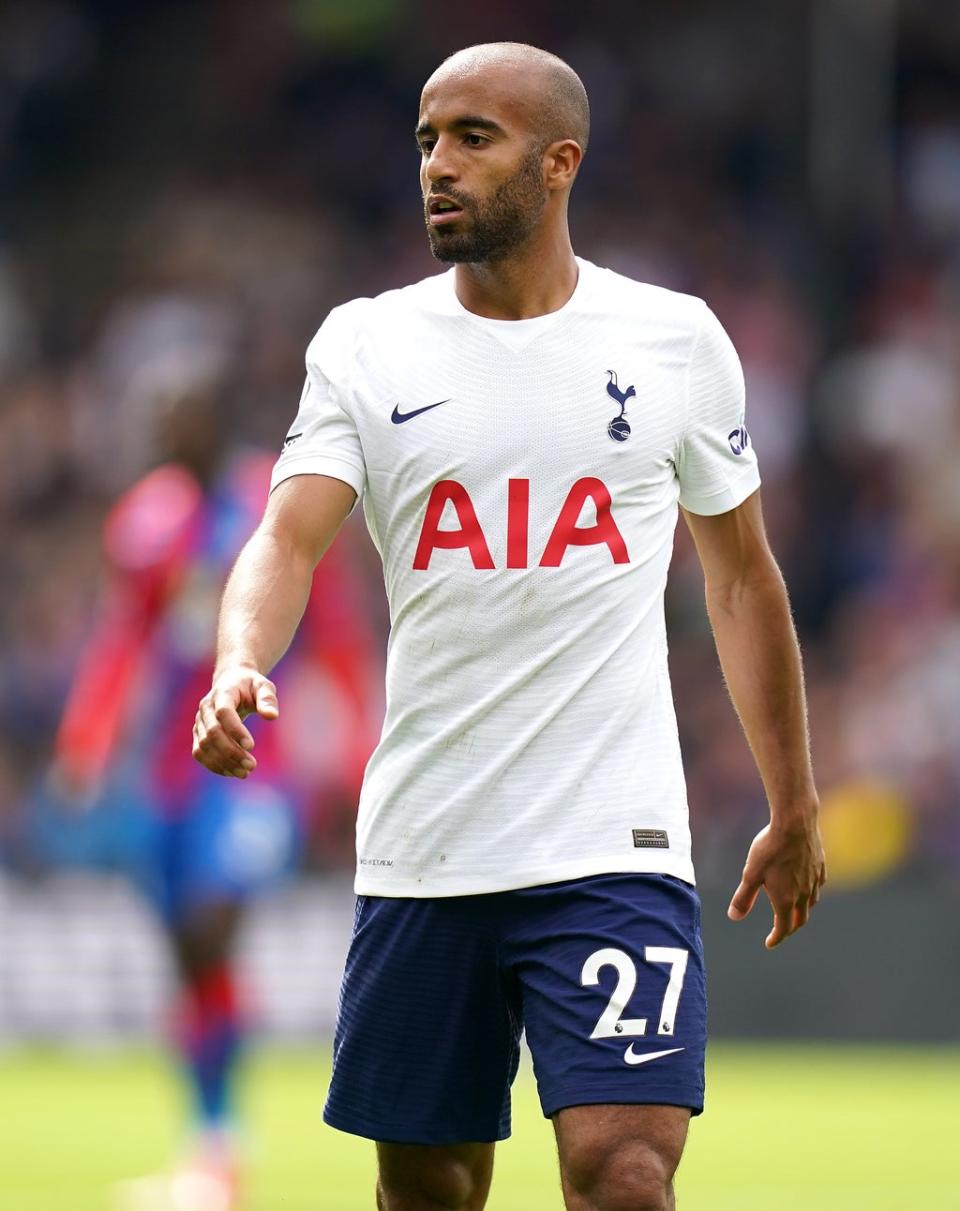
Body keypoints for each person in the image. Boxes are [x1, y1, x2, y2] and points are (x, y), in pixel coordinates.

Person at [192, 42, 826, 1211]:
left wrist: (793, 800)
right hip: (428, 843)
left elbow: (743, 580)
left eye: (474, 137)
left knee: (624, 1170)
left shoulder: (674, 340)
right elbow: (286, 539)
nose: (438, 163)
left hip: (612, 841)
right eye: (428, 138)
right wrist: (237, 658)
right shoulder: (366, 343)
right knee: (429, 1190)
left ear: (559, 163)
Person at [48, 354, 378, 1211]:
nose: (166, 422)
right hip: (168, 773)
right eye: (156, 409)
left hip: (253, 767)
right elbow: (124, 641)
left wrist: (358, 740)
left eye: (180, 406)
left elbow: (333, 623)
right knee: (188, 960)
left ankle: (220, 1149)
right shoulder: (147, 523)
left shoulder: (270, 500)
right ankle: (211, 1146)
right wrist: (86, 740)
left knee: (212, 922)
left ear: (214, 412)